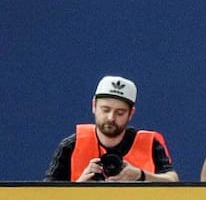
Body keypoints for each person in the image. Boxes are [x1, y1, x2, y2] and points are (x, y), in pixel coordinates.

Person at [45, 75, 179, 182]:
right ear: (94, 106)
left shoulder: (150, 144)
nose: (111, 118)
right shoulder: (70, 146)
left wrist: (141, 175)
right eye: (105, 110)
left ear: (131, 113)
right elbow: (46, 196)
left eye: (120, 112)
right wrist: (80, 186)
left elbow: (173, 181)